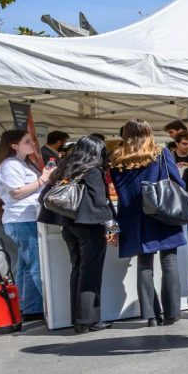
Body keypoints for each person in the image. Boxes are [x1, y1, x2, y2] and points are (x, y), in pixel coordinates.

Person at [110, 119, 188, 327]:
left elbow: (118, 190)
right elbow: (178, 183)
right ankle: (171, 313)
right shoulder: (160, 153)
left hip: (132, 216)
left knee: (144, 264)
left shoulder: (117, 158)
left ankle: (151, 315)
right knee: (169, 262)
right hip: (161, 212)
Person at [44, 135, 117, 333]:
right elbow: (101, 203)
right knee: (90, 275)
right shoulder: (93, 171)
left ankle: (77, 319)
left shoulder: (66, 167)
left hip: (69, 226)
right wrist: (113, 229)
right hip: (90, 227)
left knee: (77, 270)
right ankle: (89, 320)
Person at [0, 129, 54, 320]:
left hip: (26, 218)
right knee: (36, 263)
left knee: (27, 265)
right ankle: (52, 308)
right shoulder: (10, 165)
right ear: (13, 145)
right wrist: (43, 178)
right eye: (27, 141)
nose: (33, 144)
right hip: (21, 219)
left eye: (32, 140)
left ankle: (30, 307)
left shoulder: (22, 164)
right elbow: (17, 192)